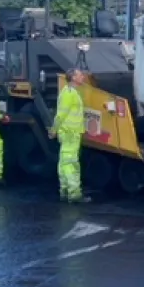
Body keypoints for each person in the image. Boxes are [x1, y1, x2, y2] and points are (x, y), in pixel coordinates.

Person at [49, 68, 90, 203]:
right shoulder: (69, 93)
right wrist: (54, 129)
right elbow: (60, 114)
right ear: (73, 77)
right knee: (70, 163)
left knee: (64, 163)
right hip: (70, 133)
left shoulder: (70, 92)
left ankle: (65, 191)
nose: (83, 76)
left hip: (69, 132)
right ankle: (74, 194)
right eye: (80, 75)